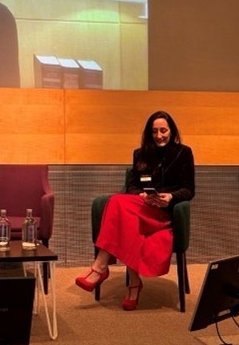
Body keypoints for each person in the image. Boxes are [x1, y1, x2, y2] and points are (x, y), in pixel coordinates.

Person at [76, 110, 195, 310]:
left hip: (164, 213)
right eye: (154, 131)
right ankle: (132, 282)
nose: (159, 136)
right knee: (120, 205)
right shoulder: (140, 154)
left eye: (163, 131)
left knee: (118, 205)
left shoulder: (183, 153)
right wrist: (141, 195)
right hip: (143, 206)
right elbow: (132, 186)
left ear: (172, 131)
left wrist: (171, 197)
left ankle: (101, 268)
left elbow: (189, 189)